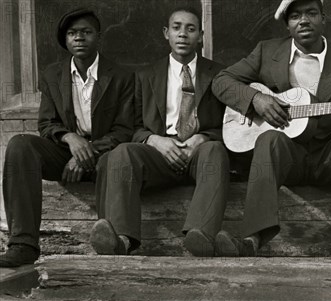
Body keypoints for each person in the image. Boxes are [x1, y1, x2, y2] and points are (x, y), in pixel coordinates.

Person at [211, 0, 331, 258]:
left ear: (324, 18)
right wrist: (257, 100)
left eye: (311, 13)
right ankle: (251, 239)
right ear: (287, 25)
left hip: (329, 155)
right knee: (268, 138)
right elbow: (221, 81)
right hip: (289, 156)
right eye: (295, 16)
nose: (303, 20)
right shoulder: (266, 52)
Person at [0, 9, 134, 267]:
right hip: (65, 152)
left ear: (99, 37)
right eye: (72, 33)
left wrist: (88, 151)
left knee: (118, 157)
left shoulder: (121, 76)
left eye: (86, 32)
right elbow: (47, 124)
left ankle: (112, 245)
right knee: (20, 145)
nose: (79, 38)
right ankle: (23, 245)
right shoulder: (53, 74)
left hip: (106, 155)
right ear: (65, 40)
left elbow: (125, 129)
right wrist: (70, 138)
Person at [91, 7, 227, 257]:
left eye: (190, 29)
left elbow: (231, 123)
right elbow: (131, 126)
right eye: (176, 28)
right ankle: (122, 239)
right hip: (159, 155)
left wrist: (204, 136)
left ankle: (202, 235)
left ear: (201, 35)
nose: (183, 34)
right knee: (123, 152)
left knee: (215, 149)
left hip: (200, 154)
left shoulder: (220, 74)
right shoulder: (145, 75)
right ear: (166, 33)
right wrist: (154, 140)